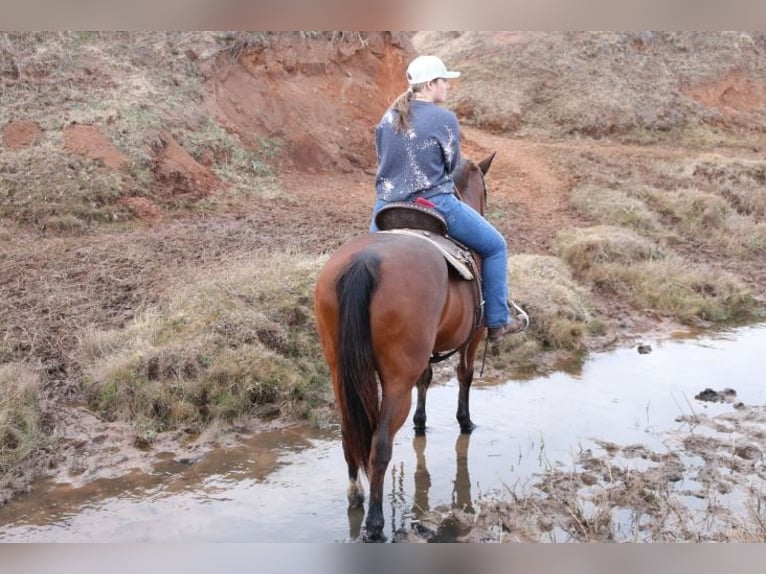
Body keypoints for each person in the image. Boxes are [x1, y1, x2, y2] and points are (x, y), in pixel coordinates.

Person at [369, 54, 527, 341]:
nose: (448, 87)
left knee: (365, 257)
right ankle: (497, 321)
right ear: (430, 84)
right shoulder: (444, 119)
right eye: (444, 81)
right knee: (495, 247)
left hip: (387, 206)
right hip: (435, 204)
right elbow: (452, 165)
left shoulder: (387, 116)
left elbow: (383, 159)